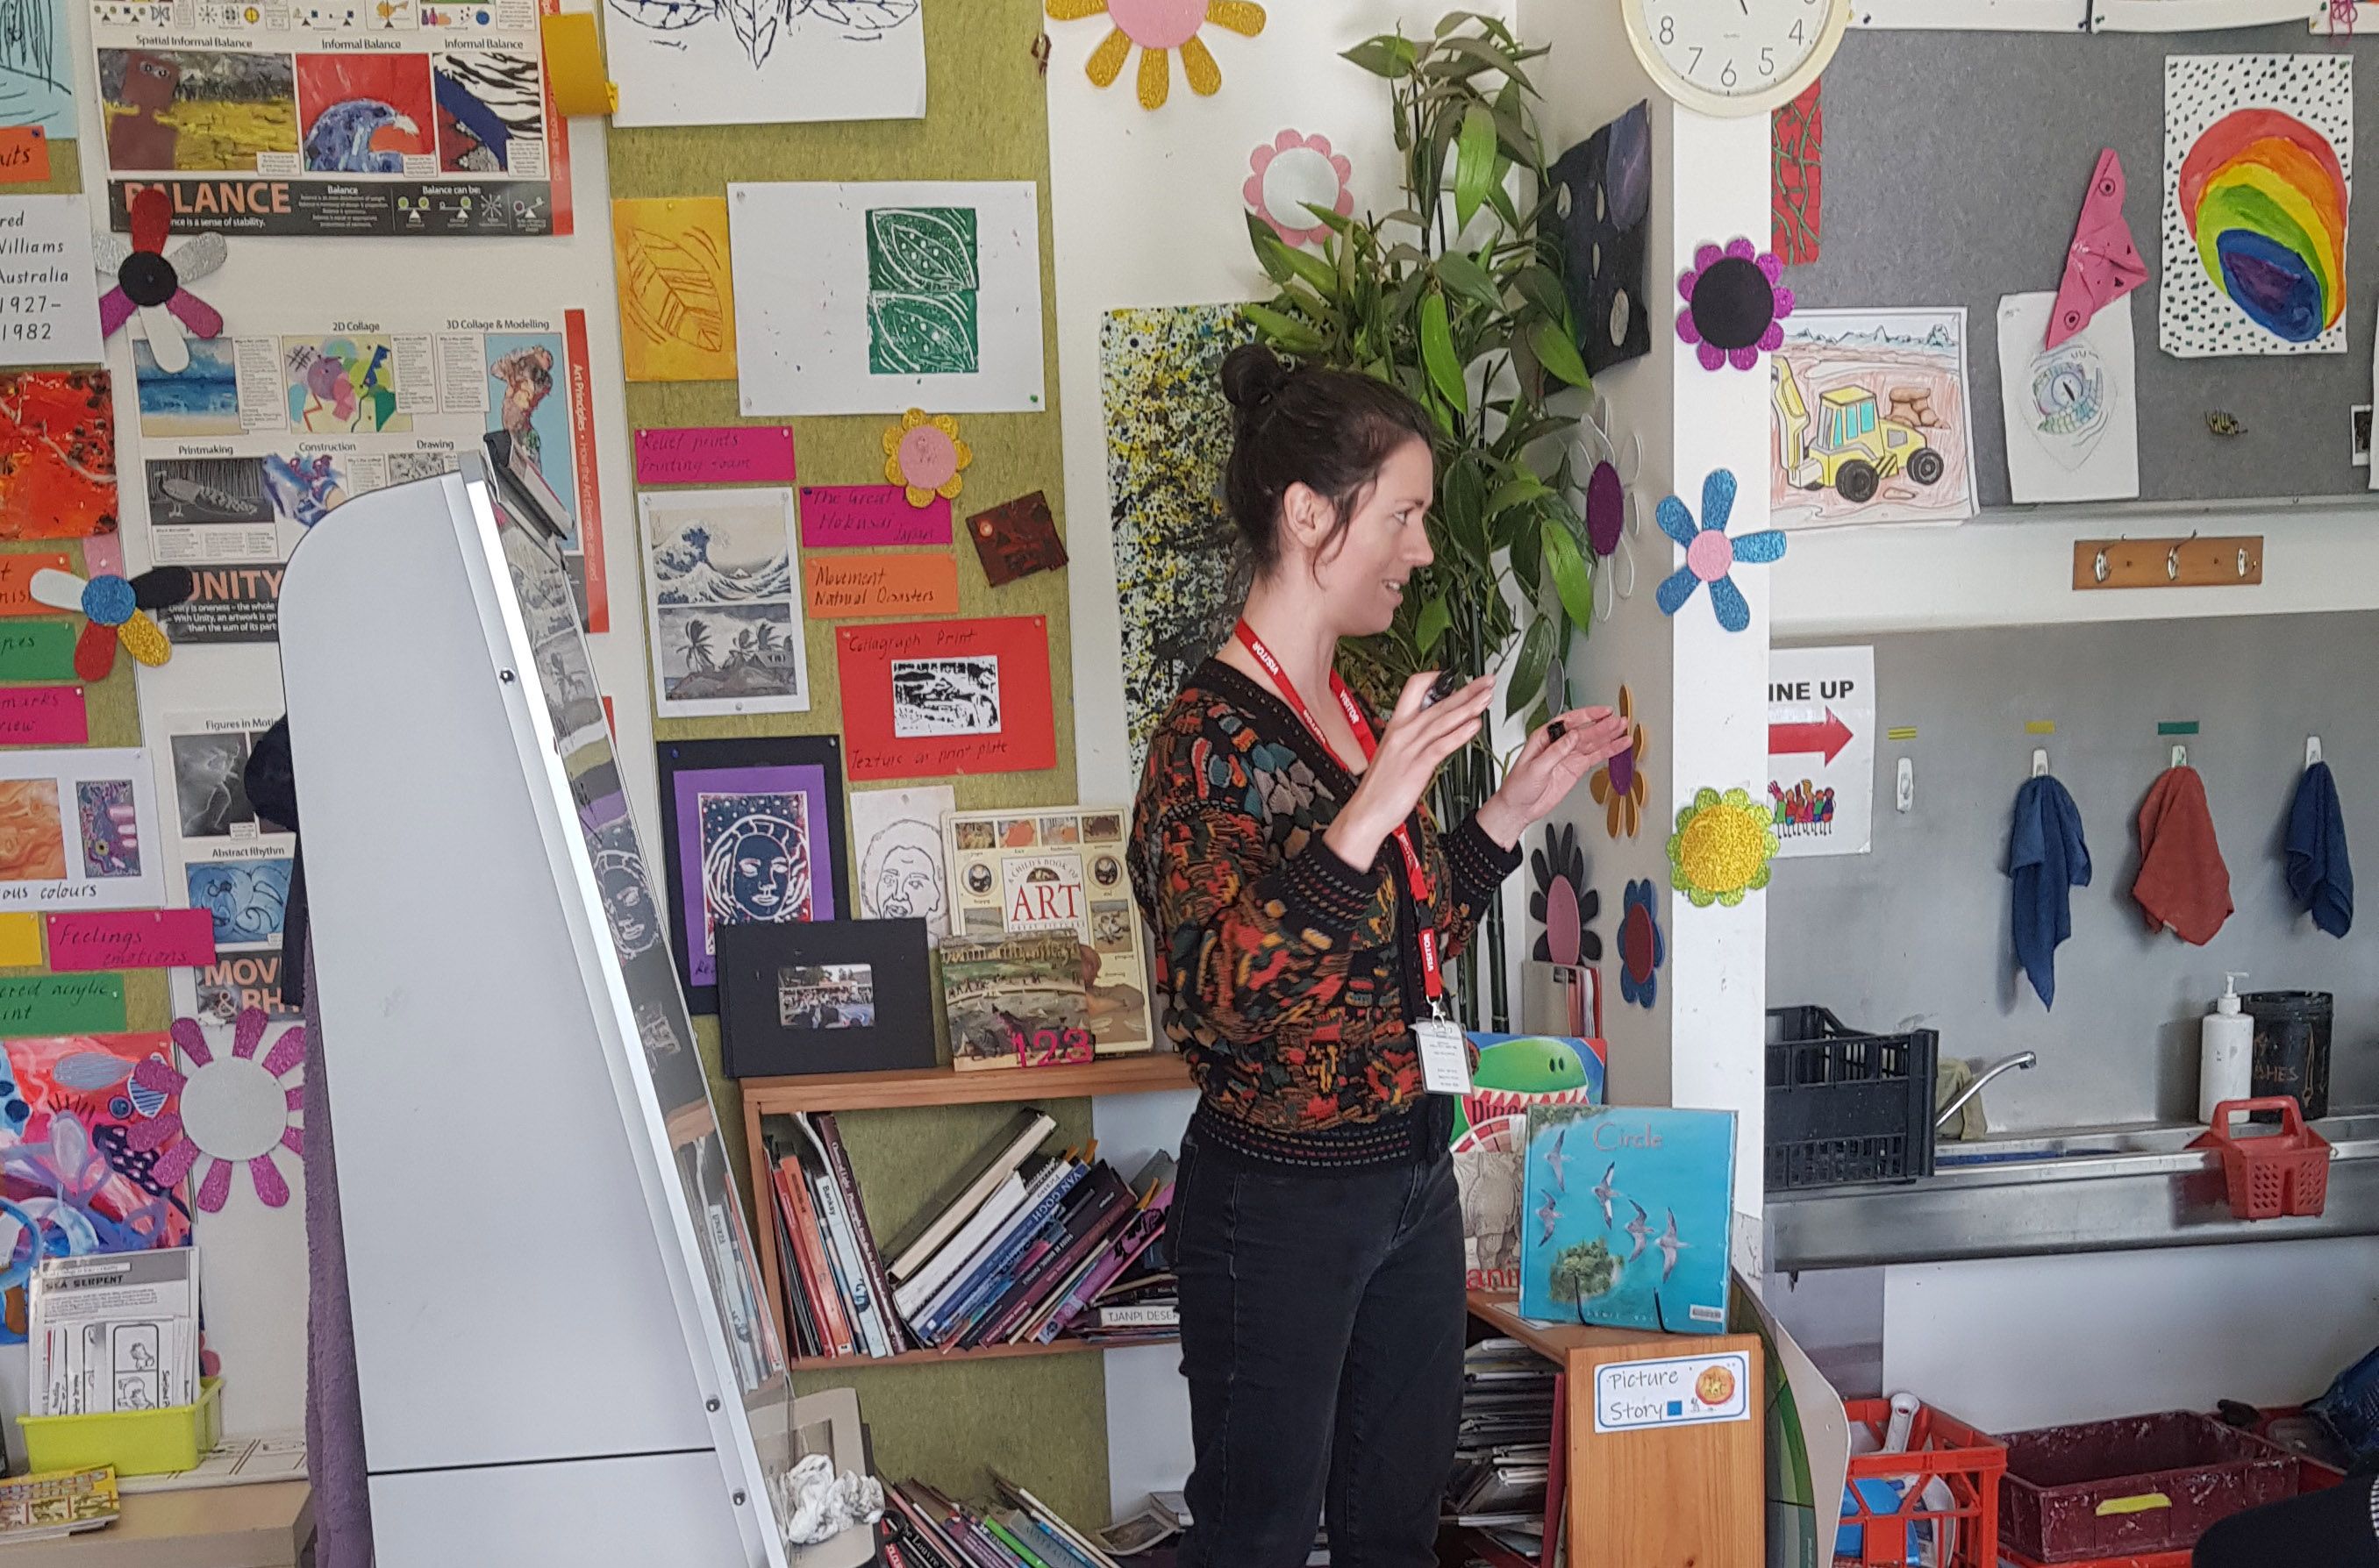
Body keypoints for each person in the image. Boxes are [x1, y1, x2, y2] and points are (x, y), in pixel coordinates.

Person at [1126, 344, 1631, 1568]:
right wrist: (1360, 822)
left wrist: (1505, 816)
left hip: (1406, 1179)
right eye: (1401, 514)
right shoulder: (1205, 743)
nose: (1419, 548)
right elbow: (1219, 1004)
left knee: (1396, 1534)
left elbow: (1384, 955)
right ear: (1310, 516)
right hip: (1279, 1202)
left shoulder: (1345, 709)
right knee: (1253, 1539)